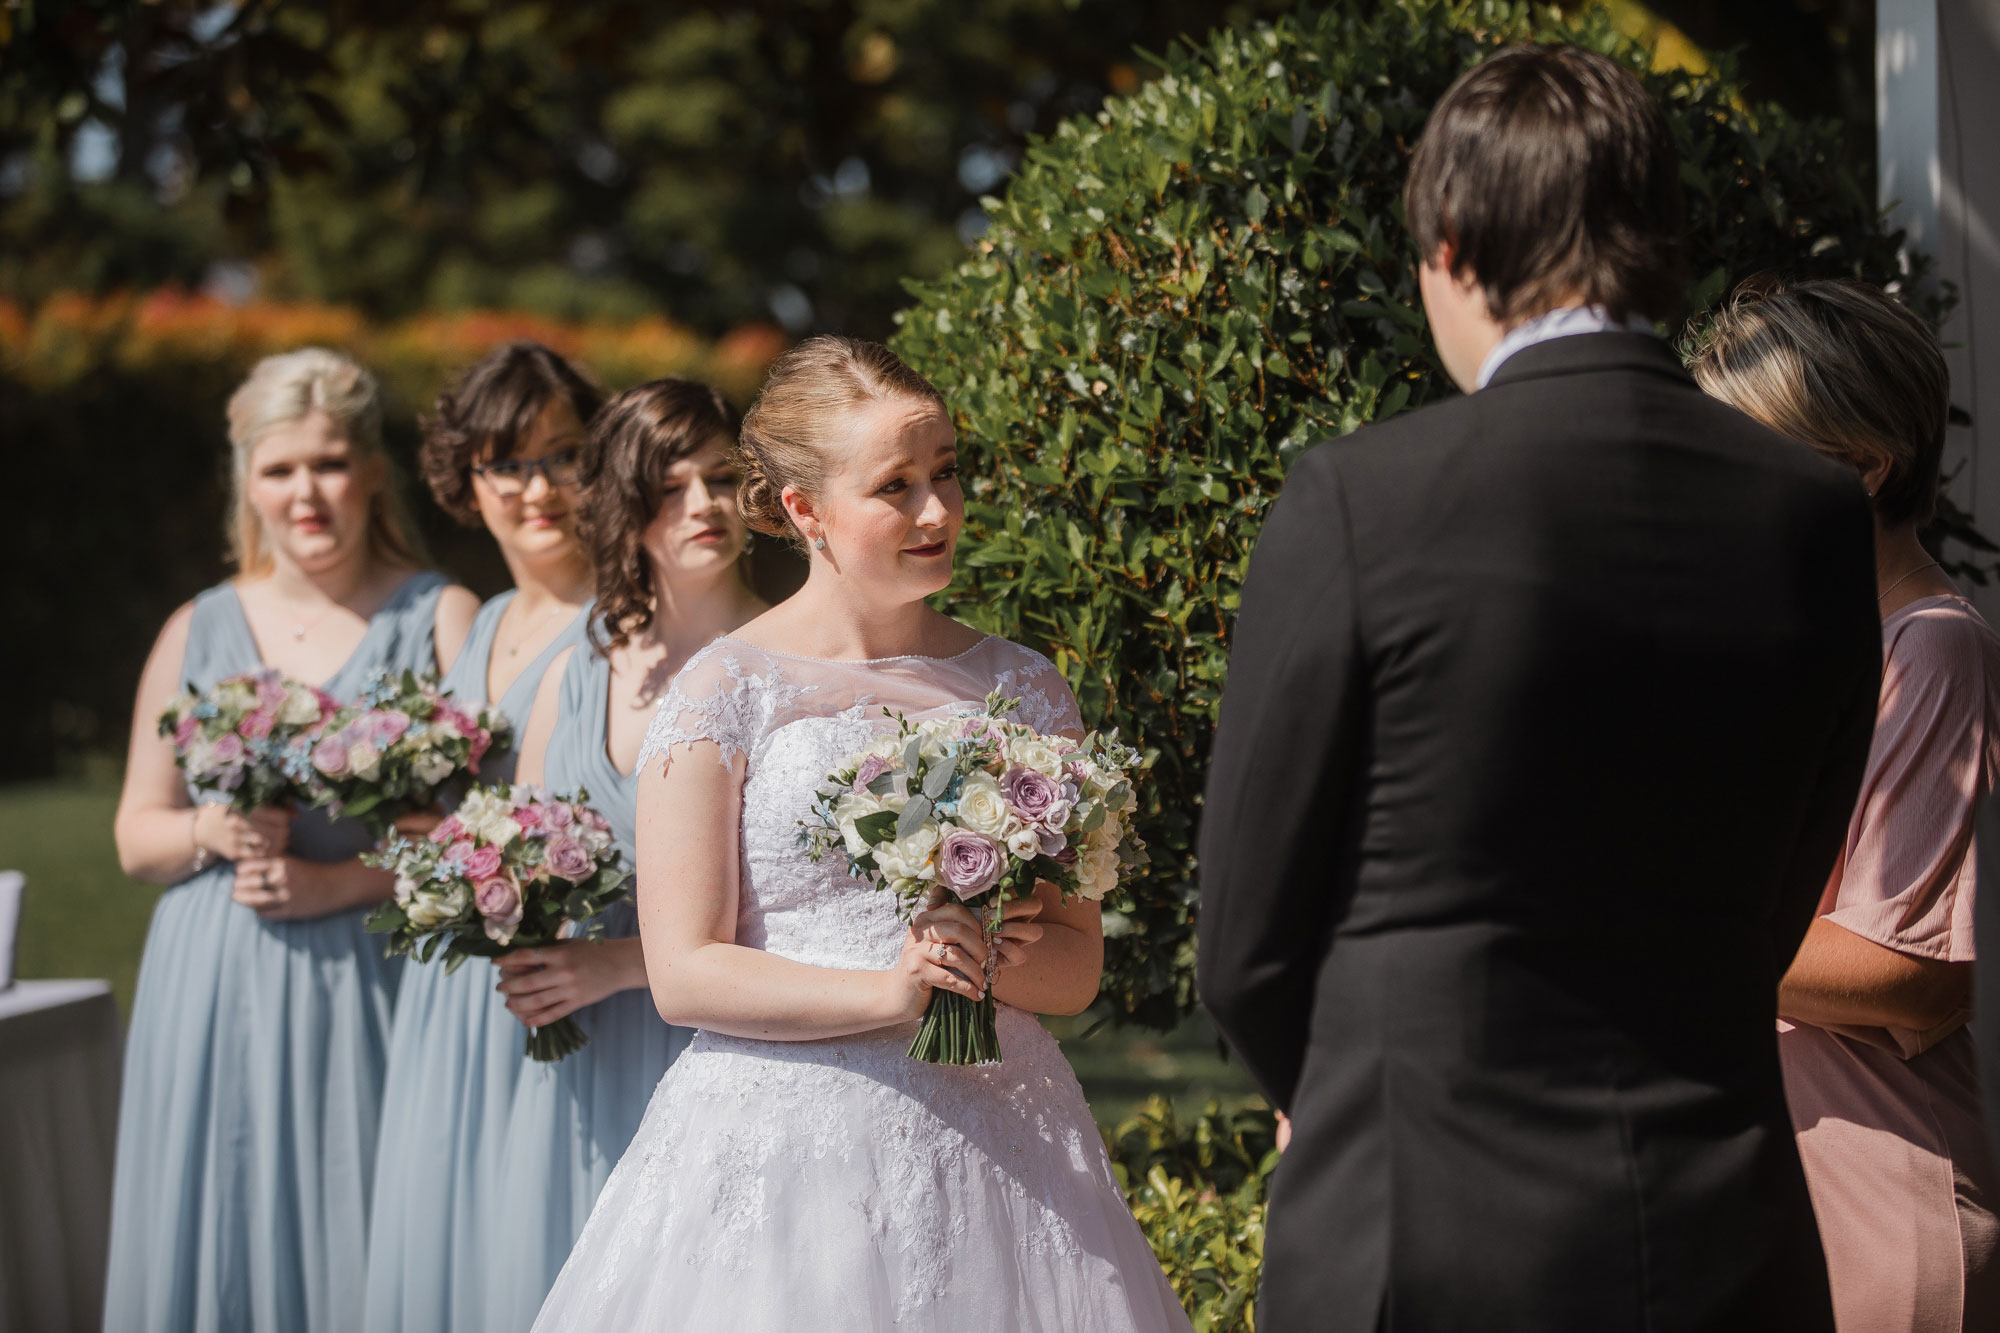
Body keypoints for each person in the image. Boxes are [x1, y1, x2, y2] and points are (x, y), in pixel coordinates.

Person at [1196, 45, 1881, 1331]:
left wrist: (1373, 1102)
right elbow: (1790, 874)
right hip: (1722, 1232)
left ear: (1451, 245)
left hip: (1422, 1236)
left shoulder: (1359, 498)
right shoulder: (1812, 512)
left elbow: (1242, 943)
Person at [528, 337, 1190, 1332]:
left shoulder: (1025, 688)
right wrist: (888, 990)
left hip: (999, 1142)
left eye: (947, 473)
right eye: (896, 486)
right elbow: (685, 972)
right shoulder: (721, 692)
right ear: (804, 511)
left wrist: (982, 961)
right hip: (784, 1160)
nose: (938, 511)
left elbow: (1073, 964)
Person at [106, 347, 479, 1332]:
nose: (304, 493)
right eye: (279, 470)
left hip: (375, 978)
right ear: (249, 486)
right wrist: (211, 825)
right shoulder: (197, 626)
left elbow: (482, 840)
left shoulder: (439, 616)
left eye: (325, 463)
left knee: (360, 1228)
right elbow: (135, 837)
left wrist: (339, 885)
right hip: (213, 981)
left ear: (367, 471)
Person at [1691, 277, 2000, 1331]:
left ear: (1863, 466)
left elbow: (1909, 976)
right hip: (1767, 1202)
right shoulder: (1787, 645)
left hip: (1869, 1215)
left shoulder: (1931, 649)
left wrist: (1634, 930)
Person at [474, 378, 767, 1327]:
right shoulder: (579, 663)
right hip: (576, 1060)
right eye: (666, 485)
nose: (701, 507)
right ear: (622, 504)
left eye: (721, 479)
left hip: (726, 1052)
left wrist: (618, 964)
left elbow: (813, 912)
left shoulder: (791, 664)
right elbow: (506, 839)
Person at [364, 341, 602, 1333]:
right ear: (469, 479)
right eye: (508, 462)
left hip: (572, 970)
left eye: (562, 454)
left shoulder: (623, 621)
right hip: (460, 988)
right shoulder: (488, 619)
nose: (536, 486)